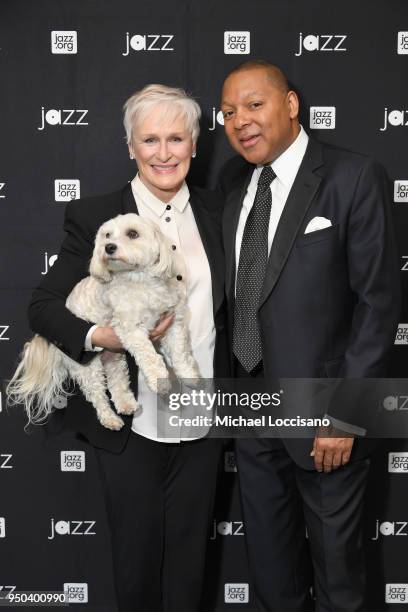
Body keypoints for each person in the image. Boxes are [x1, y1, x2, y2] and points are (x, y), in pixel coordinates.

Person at [28, 84, 228, 612]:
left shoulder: (222, 209)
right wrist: (103, 338)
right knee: (135, 567)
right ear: (130, 147)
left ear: (194, 145)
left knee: (191, 571)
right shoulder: (97, 216)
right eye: (149, 140)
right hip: (131, 423)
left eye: (176, 139)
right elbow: (44, 306)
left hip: (203, 416)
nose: (164, 153)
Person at [218, 60, 401, 612]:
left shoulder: (352, 176)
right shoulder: (232, 187)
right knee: (273, 577)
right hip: (252, 412)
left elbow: (378, 304)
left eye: (253, 105)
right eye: (227, 112)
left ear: (291, 105)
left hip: (327, 420)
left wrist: (345, 412)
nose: (239, 121)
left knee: (339, 581)